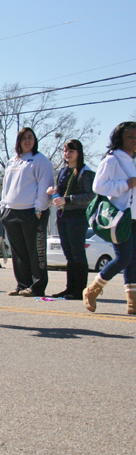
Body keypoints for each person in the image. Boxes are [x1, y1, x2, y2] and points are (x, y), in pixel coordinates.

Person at [83, 122, 136, 314]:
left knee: (133, 260)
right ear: (120, 138)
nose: (134, 139)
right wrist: (124, 184)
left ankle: (132, 303)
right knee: (123, 258)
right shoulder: (113, 160)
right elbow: (99, 187)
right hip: (119, 217)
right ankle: (92, 290)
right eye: (130, 136)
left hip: (135, 217)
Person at [0, 127, 54, 297]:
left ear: (35, 140)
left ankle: (37, 287)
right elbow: (6, 186)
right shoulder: (12, 161)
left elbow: (45, 184)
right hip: (11, 212)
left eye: (30, 137)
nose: (27, 141)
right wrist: (3, 207)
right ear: (19, 141)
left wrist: (39, 207)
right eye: (24, 138)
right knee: (18, 252)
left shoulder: (40, 160)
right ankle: (22, 284)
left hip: (32, 212)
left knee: (35, 251)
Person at [46, 140, 95, 299]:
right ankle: (69, 288)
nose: (67, 154)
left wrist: (67, 199)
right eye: (65, 151)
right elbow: (60, 192)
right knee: (68, 253)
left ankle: (80, 289)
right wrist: (53, 192)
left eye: (71, 151)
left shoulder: (85, 172)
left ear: (79, 153)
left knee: (77, 253)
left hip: (78, 216)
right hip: (63, 216)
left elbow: (90, 196)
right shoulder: (63, 171)